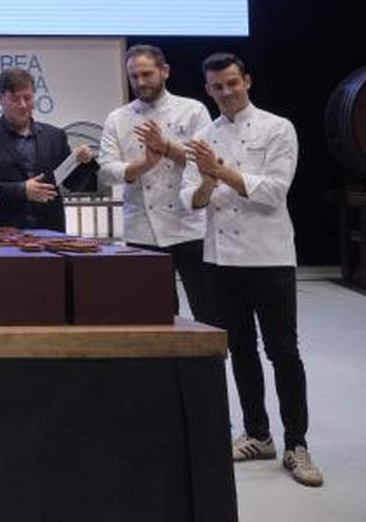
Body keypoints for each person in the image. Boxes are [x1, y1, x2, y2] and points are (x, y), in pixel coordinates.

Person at [181, 53, 323, 487]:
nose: (225, 92)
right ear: (208, 90)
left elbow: (274, 193)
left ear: (247, 81)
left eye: (232, 83)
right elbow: (193, 201)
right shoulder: (203, 136)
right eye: (217, 87)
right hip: (221, 259)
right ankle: (258, 434)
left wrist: (219, 170)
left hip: (269, 256)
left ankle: (296, 443)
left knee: (282, 351)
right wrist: (207, 177)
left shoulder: (278, 128)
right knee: (239, 350)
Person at [98, 44, 213, 322]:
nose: (140, 82)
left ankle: (209, 365)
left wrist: (166, 148)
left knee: (208, 309)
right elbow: (107, 171)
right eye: (134, 76)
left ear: (165, 72)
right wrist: (146, 163)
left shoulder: (192, 110)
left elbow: (207, 161)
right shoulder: (118, 118)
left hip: (190, 225)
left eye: (147, 74)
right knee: (155, 312)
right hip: (142, 229)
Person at [0, 68, 96, 230]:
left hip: (51, 232)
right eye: (15, 99)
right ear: (1, 99)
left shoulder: (55, 136)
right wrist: (21, 190)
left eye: (28, 98)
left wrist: (84, 162)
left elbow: (75, 184)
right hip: (3, 233)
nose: (23, 105)